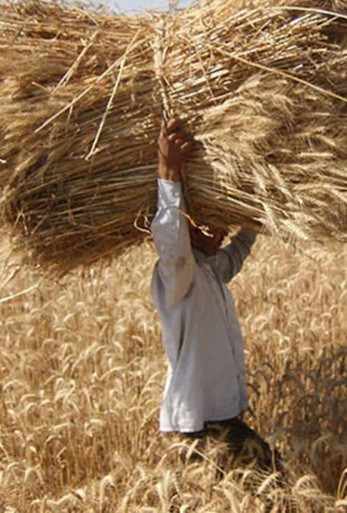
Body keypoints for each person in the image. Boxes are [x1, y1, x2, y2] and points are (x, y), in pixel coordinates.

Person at [150, 117, 276, 471]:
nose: (222, 233)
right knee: (272, 482)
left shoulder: (211, 270)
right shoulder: (178, 275)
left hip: (221, 417)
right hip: (195, 425)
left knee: (267, 481)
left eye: (224, 226)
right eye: (213, 224)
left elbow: (239, 250)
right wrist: (168, 171)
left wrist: (261, 205)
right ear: (190, 226)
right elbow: (170, 237)